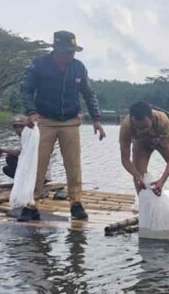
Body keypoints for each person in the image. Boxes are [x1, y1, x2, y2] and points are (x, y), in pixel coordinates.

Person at [19, 30, 106, 222]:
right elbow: (26, 90)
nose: (70, 55)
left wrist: (97, 119)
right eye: (67, 51)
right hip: (44, 121)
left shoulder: (78, 68)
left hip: (70, 122)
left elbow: (89, 93)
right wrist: (31, 112)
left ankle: (76, 203)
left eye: (72, 51)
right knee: (38, 164)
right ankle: (31, 204)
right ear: (56, 49)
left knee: (73, 165)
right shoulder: (38, 65)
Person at [119, 101, 169, 228]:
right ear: (133, 120)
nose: (142, 130)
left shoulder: (162, 120)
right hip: (141, 145)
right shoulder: (126, 126)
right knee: (139, 180)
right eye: (139, 128)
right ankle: (147, 214)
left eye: (145, 127)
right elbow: (125, 159)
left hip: (162, 141)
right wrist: (138, 177)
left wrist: (162, 180)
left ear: (151, 118)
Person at [0, 115, 53, 184]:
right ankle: (26, 182)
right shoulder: (25, 137)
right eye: (15, 127)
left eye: (21, 126)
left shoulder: (34, 136)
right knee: (7, 168)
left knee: (10, 158)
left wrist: (3, 149)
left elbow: (19, 153)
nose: (18, 129)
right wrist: (6, 151)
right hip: (34, 170)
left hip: (41, 174)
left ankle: (31, 182)